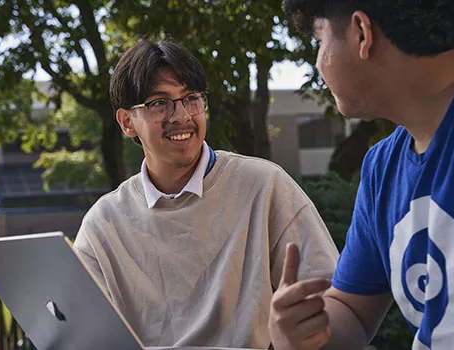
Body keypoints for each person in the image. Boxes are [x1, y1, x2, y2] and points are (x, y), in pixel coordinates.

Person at [269, 0, 454, 349]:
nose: (319, 62)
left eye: (319, 40)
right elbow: (351, 310)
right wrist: (302, 330)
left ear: (361, 33)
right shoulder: (382, 166)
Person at [72, 38, 340, 349]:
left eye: (191, 99)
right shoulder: (103, 224)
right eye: (160, 103)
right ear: (127, 122)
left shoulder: (265, 186)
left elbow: (330, 302)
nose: (181, 116)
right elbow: (77, 329)